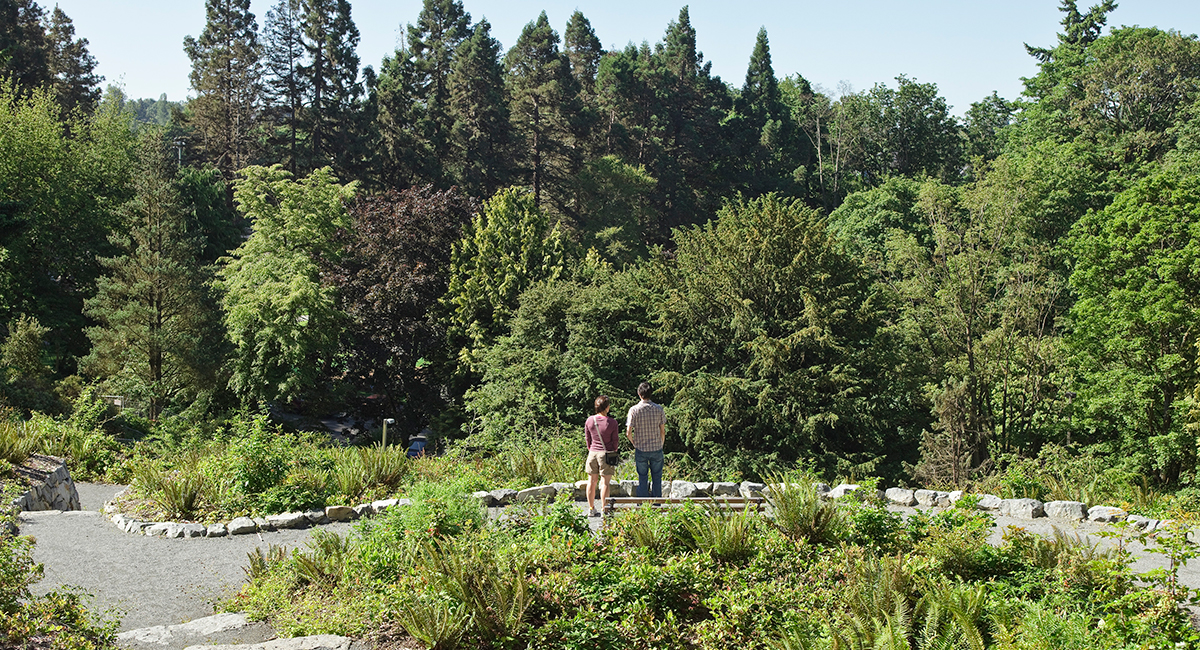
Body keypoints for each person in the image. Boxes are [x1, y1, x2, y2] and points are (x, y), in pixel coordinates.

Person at [626, 382, 665, 498]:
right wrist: (661, 443)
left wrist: (634, 443)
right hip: (656, 448)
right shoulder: (659, 409)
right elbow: (662, 430)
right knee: (657, 478)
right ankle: (657, 503)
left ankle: (642, 505)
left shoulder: (634, 410)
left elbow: (628, 432)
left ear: (639, 394)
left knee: (642, 478)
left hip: (641, 448)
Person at [584, 395, 619, 517]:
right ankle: (604, 509)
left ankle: (591, 508)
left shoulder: (589, 420)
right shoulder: (612, 423)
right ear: (607, 407)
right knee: (605, 483)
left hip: (592, 453)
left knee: (591, 481)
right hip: (606, 453)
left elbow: (588, 439)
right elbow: (615, 442)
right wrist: (613, 451)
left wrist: (591, 449)